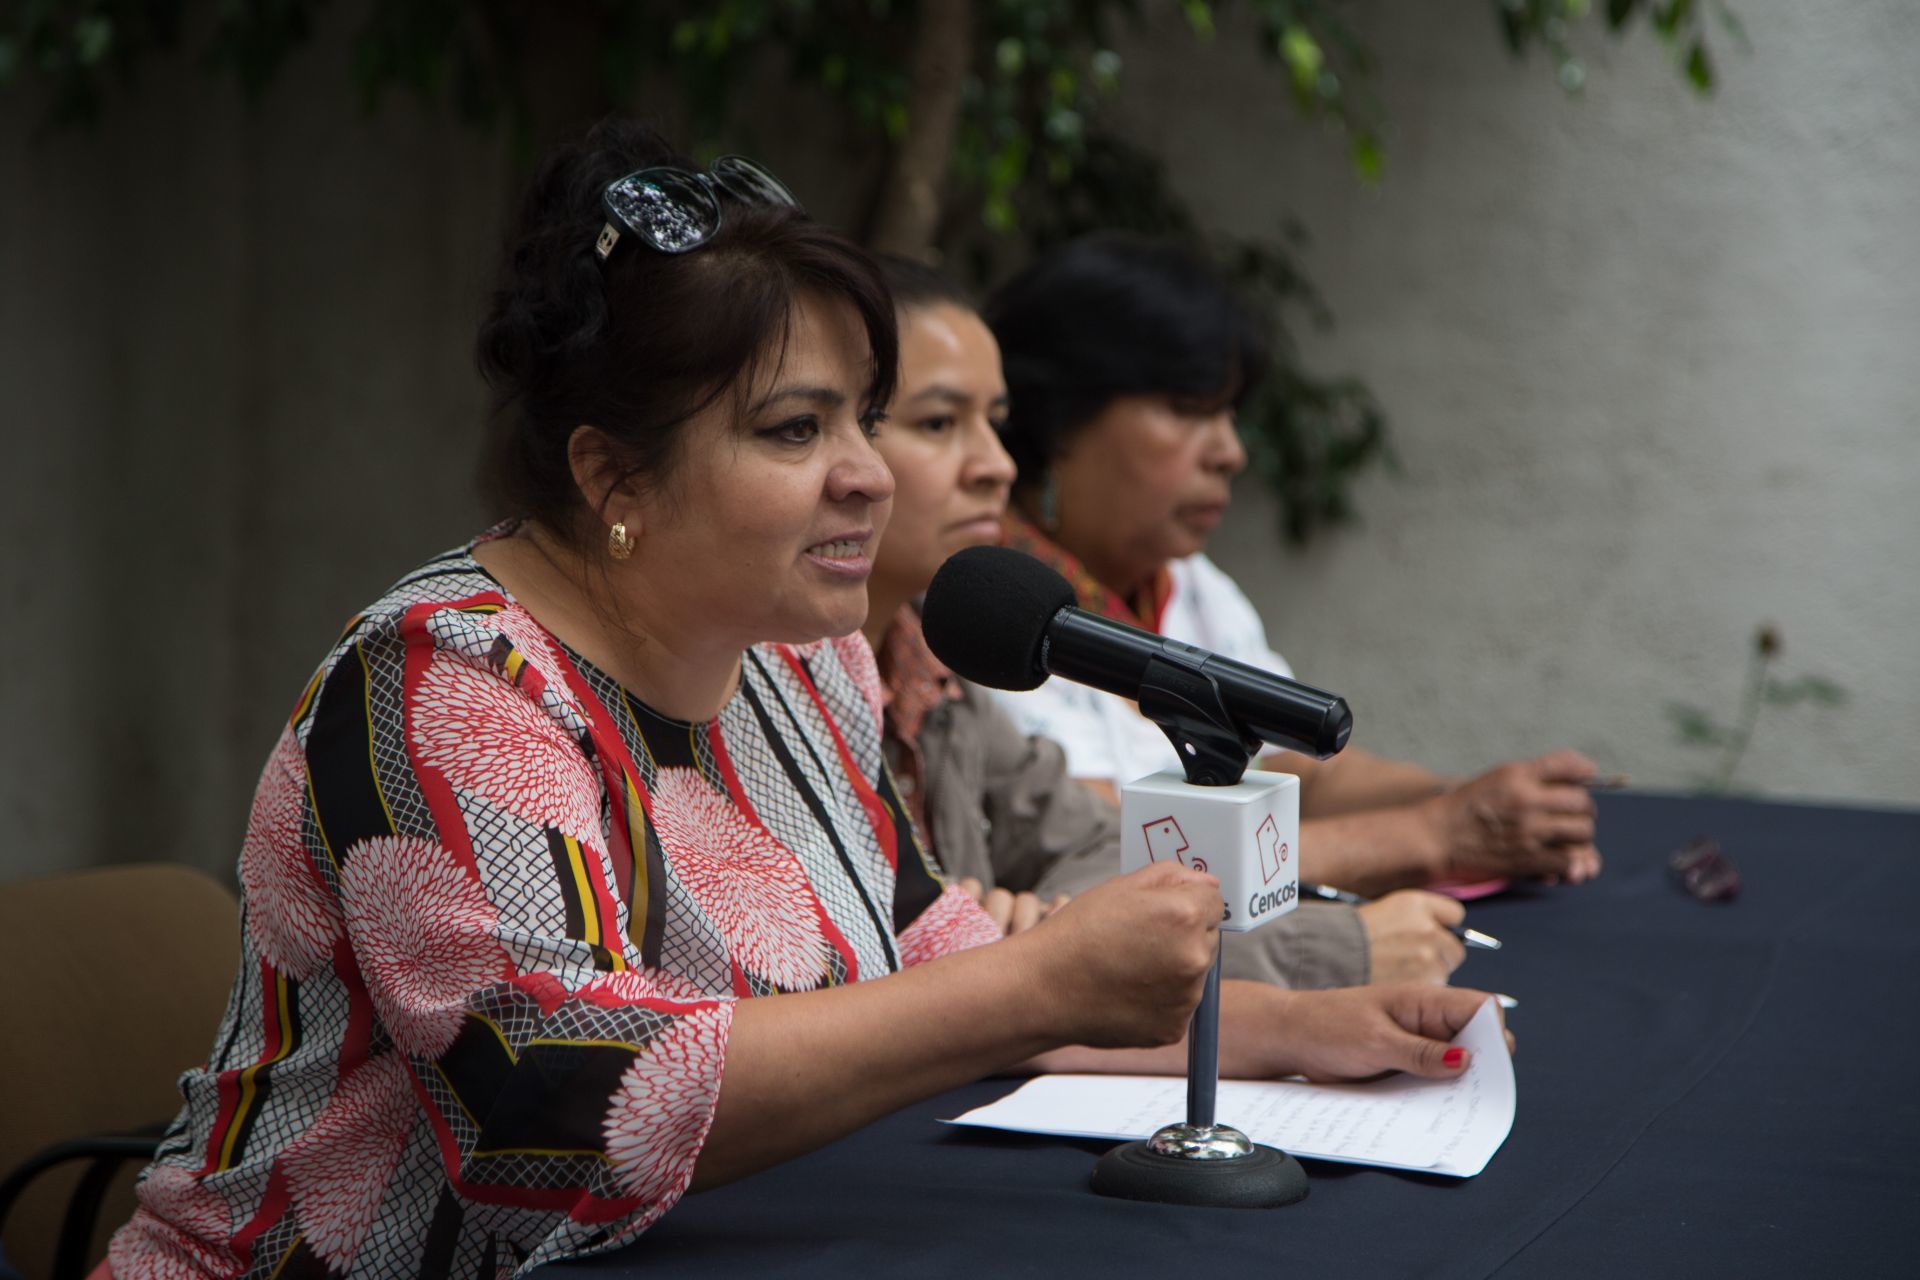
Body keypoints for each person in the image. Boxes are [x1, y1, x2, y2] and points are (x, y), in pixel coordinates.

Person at [102, 125, 1509, 1279]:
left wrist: (1282, 1030)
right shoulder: (449, 683)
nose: (871, 475)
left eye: (861, 415)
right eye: (796, 429)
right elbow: (554, 1122)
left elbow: (930, 945)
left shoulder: (796, 656)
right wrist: (1034, 982)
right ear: (611, 477)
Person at [861, 256, 1466, 987]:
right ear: (1061, 423)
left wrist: (1040, 930)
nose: (996, 465)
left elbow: (1105, 850)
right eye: (937, 422)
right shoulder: (975, 628)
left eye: (995, 424)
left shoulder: (928, 662)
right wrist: (1430, 842)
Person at [983, 235, 1603, 898]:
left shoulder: (1191, 585)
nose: (1230, 452)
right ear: (1054, 421)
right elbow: (1113, 848)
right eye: (1188, 411)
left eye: (1228, 413)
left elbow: (1292, 771)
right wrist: (1435, 834)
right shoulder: (987, 614)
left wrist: (1484, 803)